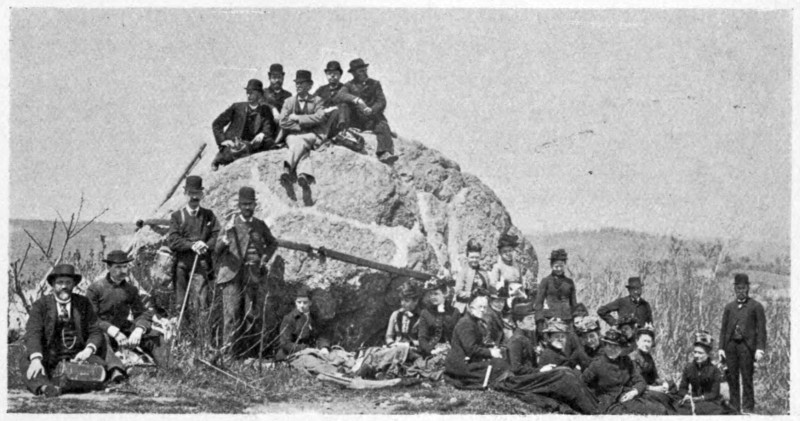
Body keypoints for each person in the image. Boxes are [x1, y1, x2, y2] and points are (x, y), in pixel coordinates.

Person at [20, 264, 108, 397]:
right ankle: (45, 388)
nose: (64, 286)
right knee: (28, 361)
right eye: (60, 282)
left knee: (99, 365)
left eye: (68, 282)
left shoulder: (83, 303)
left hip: (77, 357)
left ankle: (71, 384)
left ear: (73, 284)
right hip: (50, 356)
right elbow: (33, 332)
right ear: (53, 285)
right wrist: (36, 358)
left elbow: (95, 330)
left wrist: (87, 350)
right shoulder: (41, 305)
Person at [215, 186, 279, 357]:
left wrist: (264, 259)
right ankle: (228, 355)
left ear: (255, 205)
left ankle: (248, 355)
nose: (247, 208)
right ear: (239, 205)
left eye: (250, 204)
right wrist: (224, 240)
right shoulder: (231, 223)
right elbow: (217, 250)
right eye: (244, 204)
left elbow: (273, 243)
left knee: (251, 315)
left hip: (252, 274)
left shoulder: (260, 225)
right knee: (231, 315)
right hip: (232, 274)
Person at [86, 251, 164, 366]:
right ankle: (117, 372)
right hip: (103, 330)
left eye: (125, 267)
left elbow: (142, 313)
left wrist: (139, 329)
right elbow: (91, 317)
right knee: (101, 338)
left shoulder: (131, 290)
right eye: (118, 267)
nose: (123, 271)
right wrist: (114, 331)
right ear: (108, 267)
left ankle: (169, 369)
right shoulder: (95, 288)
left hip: (123, 329)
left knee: (154, 335)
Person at [165, 175, 219, 340]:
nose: (194, 197)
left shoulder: (208, 215)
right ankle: (182, 341)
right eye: (191, 193)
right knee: (181, 305)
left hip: (201, 268)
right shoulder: (177, 216)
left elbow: (218, 235)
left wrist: (206, 244)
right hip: (182, 267)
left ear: (202, 194)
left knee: (202, 305)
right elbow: (173, 240)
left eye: (198, 193)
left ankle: (203, 343)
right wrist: (191, 245)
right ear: (185, 193)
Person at [582, 329, 666, 414]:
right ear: (605, 346)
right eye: (610, 346)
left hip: (629, 397)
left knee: (660, 407)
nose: (613, 349)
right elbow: (582, 384)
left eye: (616, 346)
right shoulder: (597, 365)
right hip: (609, 404)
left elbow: (640, 381)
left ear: (621, 349)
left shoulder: (626, 361)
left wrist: (634, 392)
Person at [719, 273, 767, 414]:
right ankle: (734, 409)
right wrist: (721, 348)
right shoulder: (729, 307)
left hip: (747, 347)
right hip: (730, 347)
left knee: (747, 378)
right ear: (734, 289)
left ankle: (748, 409)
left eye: (743, 288)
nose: (741, 291)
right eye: (738, 288)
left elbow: (762, 330)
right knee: (732, 379)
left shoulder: (756, 306)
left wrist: (760, 349)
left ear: (748, 288)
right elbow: (723, 329)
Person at [278, 70, 336, 188]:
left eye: (302, 83)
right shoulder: (289, 102)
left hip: (311, 134)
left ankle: (287, 168)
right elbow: (282, 121)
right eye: (297, 83)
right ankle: (303, 175)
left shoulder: (317, 100)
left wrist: (297, 118)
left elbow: (320, 117)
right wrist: (305, 124)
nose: (298, 85)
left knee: (300, 142)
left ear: (309, 85)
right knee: (301, 146)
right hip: (293, 135)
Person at [444, 290, 511, 389]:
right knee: (500, 366)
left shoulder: (474, 321)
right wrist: (490, 352)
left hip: (468, 361)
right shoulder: (466, 323)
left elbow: (477, 344)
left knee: (502, 363)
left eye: (484, 307)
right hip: (461, 365)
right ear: (470, 307)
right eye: (480, 307)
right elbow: (471, 349)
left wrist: (491, 348)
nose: (483, 310)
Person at [211, 79, 278, 170]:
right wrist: (223, 141)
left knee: (270, 144)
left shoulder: (265, 110)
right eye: (247, 92)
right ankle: (218, 159)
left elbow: (268, 128)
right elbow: (217, 124)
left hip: (253, 145)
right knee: (233, 153)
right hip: (235, 144)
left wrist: (262, 134)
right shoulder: (237, 107)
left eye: (252, 93)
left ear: (260, 95)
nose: (248, 95)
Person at [341, 58, 397, 164]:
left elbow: (381, 101)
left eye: (364, 70)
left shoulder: (375, 84)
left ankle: (384, 153)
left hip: (372, 118)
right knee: (343, 106)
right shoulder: (348, 85)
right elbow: (340, 95)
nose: (364, 73)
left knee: (383, 125)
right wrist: (356, 100)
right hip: (355, 120)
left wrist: (372, 109)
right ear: (353, 73)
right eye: (360, 71)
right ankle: (345, 132)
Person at [675, 331, 734, 415]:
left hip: (709, 402)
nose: (696, 355)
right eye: (695, 352)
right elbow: (682, 388)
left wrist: (700, 398)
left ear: (707, 354)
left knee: (715, 411)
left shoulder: (714, 370)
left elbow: (714, 393)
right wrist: (685, 395)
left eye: (700, 353)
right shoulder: (688, 368)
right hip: (692, 402)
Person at [313, 60, 369, 141]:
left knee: (343, 105)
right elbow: (313, 103)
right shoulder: (321, 90)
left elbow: (354, 106)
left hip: (341, 120)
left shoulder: (345, 88)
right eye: (329, 74)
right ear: (326, 75)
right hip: (325, 120)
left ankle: (343, 131)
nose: (332, 76)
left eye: (335, 73)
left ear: (340, 75)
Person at [628, 324, 676, 413]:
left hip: (650, 386)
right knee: (663, 399)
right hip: (639, 390)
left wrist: (664, 384)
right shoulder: (633, 358)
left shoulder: (648, 357)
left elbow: (655, 377)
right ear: (637, 341)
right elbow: (636, 382)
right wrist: (655, 388)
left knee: (672, 387)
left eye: (649, 342)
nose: (646, 344)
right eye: (644, 341)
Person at [276, 286, 331, 361]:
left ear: (310, 303)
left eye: (305, 302)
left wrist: (324, 347)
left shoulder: (314, 317)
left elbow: (321, 336)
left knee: (335, 355)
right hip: (291, 354)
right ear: (295, 302)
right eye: (299, 302)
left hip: (312, 352)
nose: (301, 306)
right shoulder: (289, 319)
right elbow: (285, 343)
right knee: (315, 363)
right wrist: (306, 349)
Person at [534, 249, 576, 333]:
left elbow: (573, 303)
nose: (559, 269)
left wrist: (575, 317)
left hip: (567, 318)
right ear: (551, 266)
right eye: (556, 266)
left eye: (561, 266)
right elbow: (539, 302)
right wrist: (539, 320)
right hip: (550, 318)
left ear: (565, 266)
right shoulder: (545, 281)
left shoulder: (569, 282)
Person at [417, 278, 460, 357]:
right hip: (431, 351)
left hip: (450, 351)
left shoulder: (454, 312)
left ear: (444, 294)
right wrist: (431, 351)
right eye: (431, 294)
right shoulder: (425, 313)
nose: (432, 297)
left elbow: (458, 336)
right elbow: (422, 337)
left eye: (436, 294)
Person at [488, 233, 535, 301]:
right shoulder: (497, 267)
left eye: (510, 251)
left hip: (518, 297)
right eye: (505, 252)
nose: (508, 254)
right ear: (500, 253)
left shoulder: (517, 266)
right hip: (503, 298)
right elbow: (492, 285)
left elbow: (521, 283)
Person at [452, 239, 490, 313]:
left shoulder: (483, 272)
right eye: (472, 257)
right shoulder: (463, 272)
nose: (474, 260)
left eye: (477, 257)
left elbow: (488, 288)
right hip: (466, 306)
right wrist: (472, 294)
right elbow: (458, 292)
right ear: (467, 257)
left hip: (482, 306)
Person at [385, 281, 422, 351]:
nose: (402, 303)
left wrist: (413, 345)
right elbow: (389, 337)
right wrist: (392, 344)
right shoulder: (395, 315)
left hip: (413, 350)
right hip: (395, 349)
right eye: (401, 300)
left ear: (416, 301)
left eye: (407, 301)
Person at [506, 302, 539, 375]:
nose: (533, 322)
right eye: (529, 319)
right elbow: (516, 368)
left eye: (534, 318)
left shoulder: (526, 337)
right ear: (519, 323)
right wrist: (540, 371)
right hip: (522, 381)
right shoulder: (516, 340)